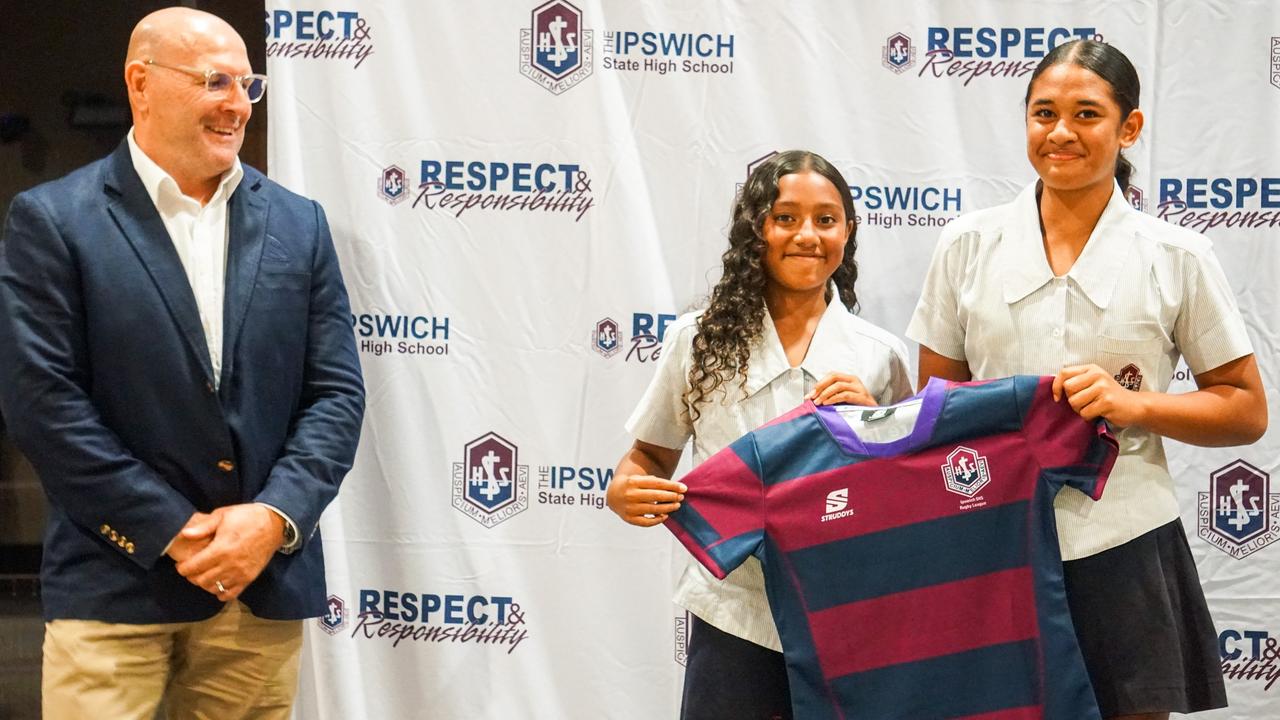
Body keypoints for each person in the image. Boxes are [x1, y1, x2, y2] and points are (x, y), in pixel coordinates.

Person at [0, 7, 365, 719]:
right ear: (141, 84)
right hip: (114, 585)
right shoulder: (53, 220)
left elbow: (336, 395)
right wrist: (174, 530)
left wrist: (271, 518)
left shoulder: (301, 224)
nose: (236, 104)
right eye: (214, 81)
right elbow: (43, 403)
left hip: (260, 589)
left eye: (248, 85)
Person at [907, 39, 1267, 720]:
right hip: (993, 539)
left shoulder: (1179, 257)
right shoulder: (965, 245)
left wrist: (1135, 404)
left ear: (1129, 127)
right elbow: (933, 408)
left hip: (1125, 540)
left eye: (1087, 114)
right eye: (1044, 114)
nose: (1061, 133)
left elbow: (1246, 410)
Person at [607, 150, 913, 719]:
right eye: (785, 217)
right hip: (733, 610)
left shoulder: (881, 356)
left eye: (826, 219)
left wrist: (878, 425)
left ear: (848, 231)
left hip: (845, 613)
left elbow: (905, 491)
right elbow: (648, 455)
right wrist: (624, 488)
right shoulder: (697, 342)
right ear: (757, 229)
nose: (807, 235)